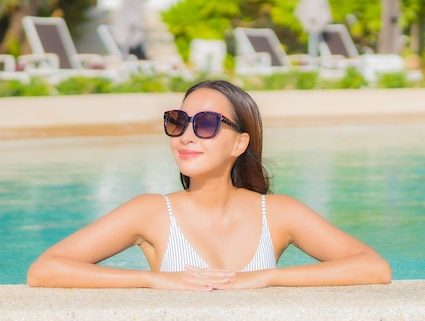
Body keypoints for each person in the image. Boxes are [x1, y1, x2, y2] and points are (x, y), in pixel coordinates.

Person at [27, 80, 391, 290]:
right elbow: (45, 269)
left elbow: (373, 267)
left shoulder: (278, 213)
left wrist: (263, 279)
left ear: (239, 143)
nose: (187, 136)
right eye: (178, 121)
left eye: (206, 124)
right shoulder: (152, 212)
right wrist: (156, 282)